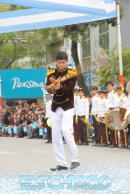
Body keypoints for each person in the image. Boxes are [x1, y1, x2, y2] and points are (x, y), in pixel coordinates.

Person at [45, 51, 80, 171]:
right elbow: (49, 90)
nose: (61, 65)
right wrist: (51, 87)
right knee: (55, 135)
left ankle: (75, 159)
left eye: (63, 62)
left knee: (66, 130)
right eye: (59, 62)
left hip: (68, 105)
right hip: (55, 106)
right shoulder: (50, 72)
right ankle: (62, 163)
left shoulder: (72, 73)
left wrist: (58, 86)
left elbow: (69, 90)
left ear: (67, 62)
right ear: (56, 62)